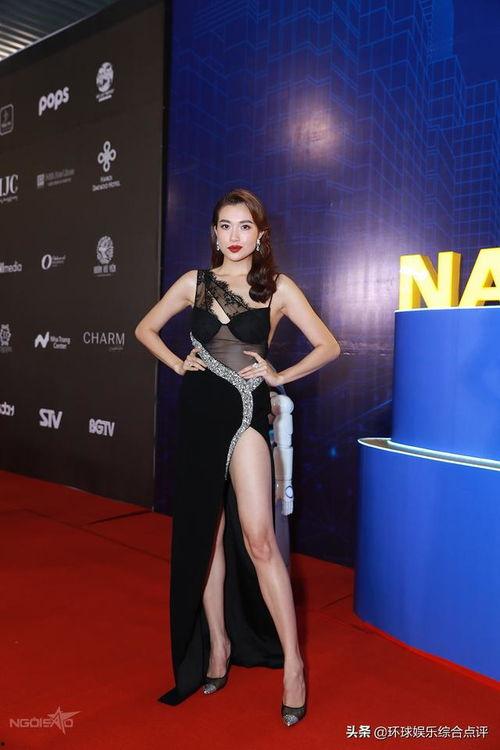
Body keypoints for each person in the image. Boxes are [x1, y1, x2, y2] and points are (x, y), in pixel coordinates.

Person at [135, 188, 341, 726]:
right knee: (207, 536)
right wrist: (178, 364)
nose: (233, 236)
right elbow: (144, 329)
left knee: (259, 539)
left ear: (261, 235)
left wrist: (279, 375)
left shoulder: (278, 288)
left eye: (244, 226)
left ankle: (293, 664)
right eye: (225, 226)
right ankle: (219, 645)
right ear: (214, 233)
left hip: (247, 413)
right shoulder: (194, 283)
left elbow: (329, 345)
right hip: (199, 416)